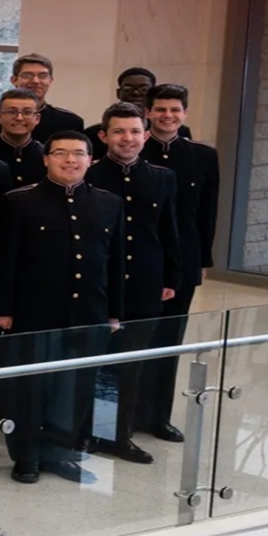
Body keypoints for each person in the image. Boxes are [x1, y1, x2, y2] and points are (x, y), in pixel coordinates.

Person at [0, 131, 123, 484]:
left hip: (89, 312)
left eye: (78, 153)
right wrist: (1, 308)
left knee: (74, 388)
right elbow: (4, 261)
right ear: (46, 159)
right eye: (61, 153)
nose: (70, 160)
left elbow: (115, 262)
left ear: (90, 159)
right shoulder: (19, 201)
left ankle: (59, 453)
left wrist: (113, 312)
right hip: (34, 312)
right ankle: (26, 456)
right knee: (28, 389)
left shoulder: (108, 202)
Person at [85, 103, 181, 464]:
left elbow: (169, 230)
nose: (128, 138)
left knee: (132, 363)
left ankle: (119, 435)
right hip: (99, 282)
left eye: (135, 131)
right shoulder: (90, 174)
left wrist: (171, 277)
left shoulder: (162, 177)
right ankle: (86, 432)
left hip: (144, 282)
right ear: (104, 136)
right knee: (94, 363)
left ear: (146, 135)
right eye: (119, 131)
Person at [140, 84, 218, 442]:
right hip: (140, 260)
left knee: (169, 342)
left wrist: (203, 259)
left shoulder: (203, 156)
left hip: (183, 260)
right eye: (160, 109)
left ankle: (158, 417)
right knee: (133, 341)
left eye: (174, 110)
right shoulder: (133, 148)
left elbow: (207, 212)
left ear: (184, 113)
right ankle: (122, 417)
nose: (167, 116)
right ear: (148, 113)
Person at [0, 54, 85, 143]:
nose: (35, 81)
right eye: (27, 75)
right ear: (14, 80)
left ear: (50, 81)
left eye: (42, 76)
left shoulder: (69, 122)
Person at [0, 87, 47, 188]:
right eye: (12, 112)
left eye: (27, 112)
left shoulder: (48, 157)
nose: (19, 118)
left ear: (37, 119)